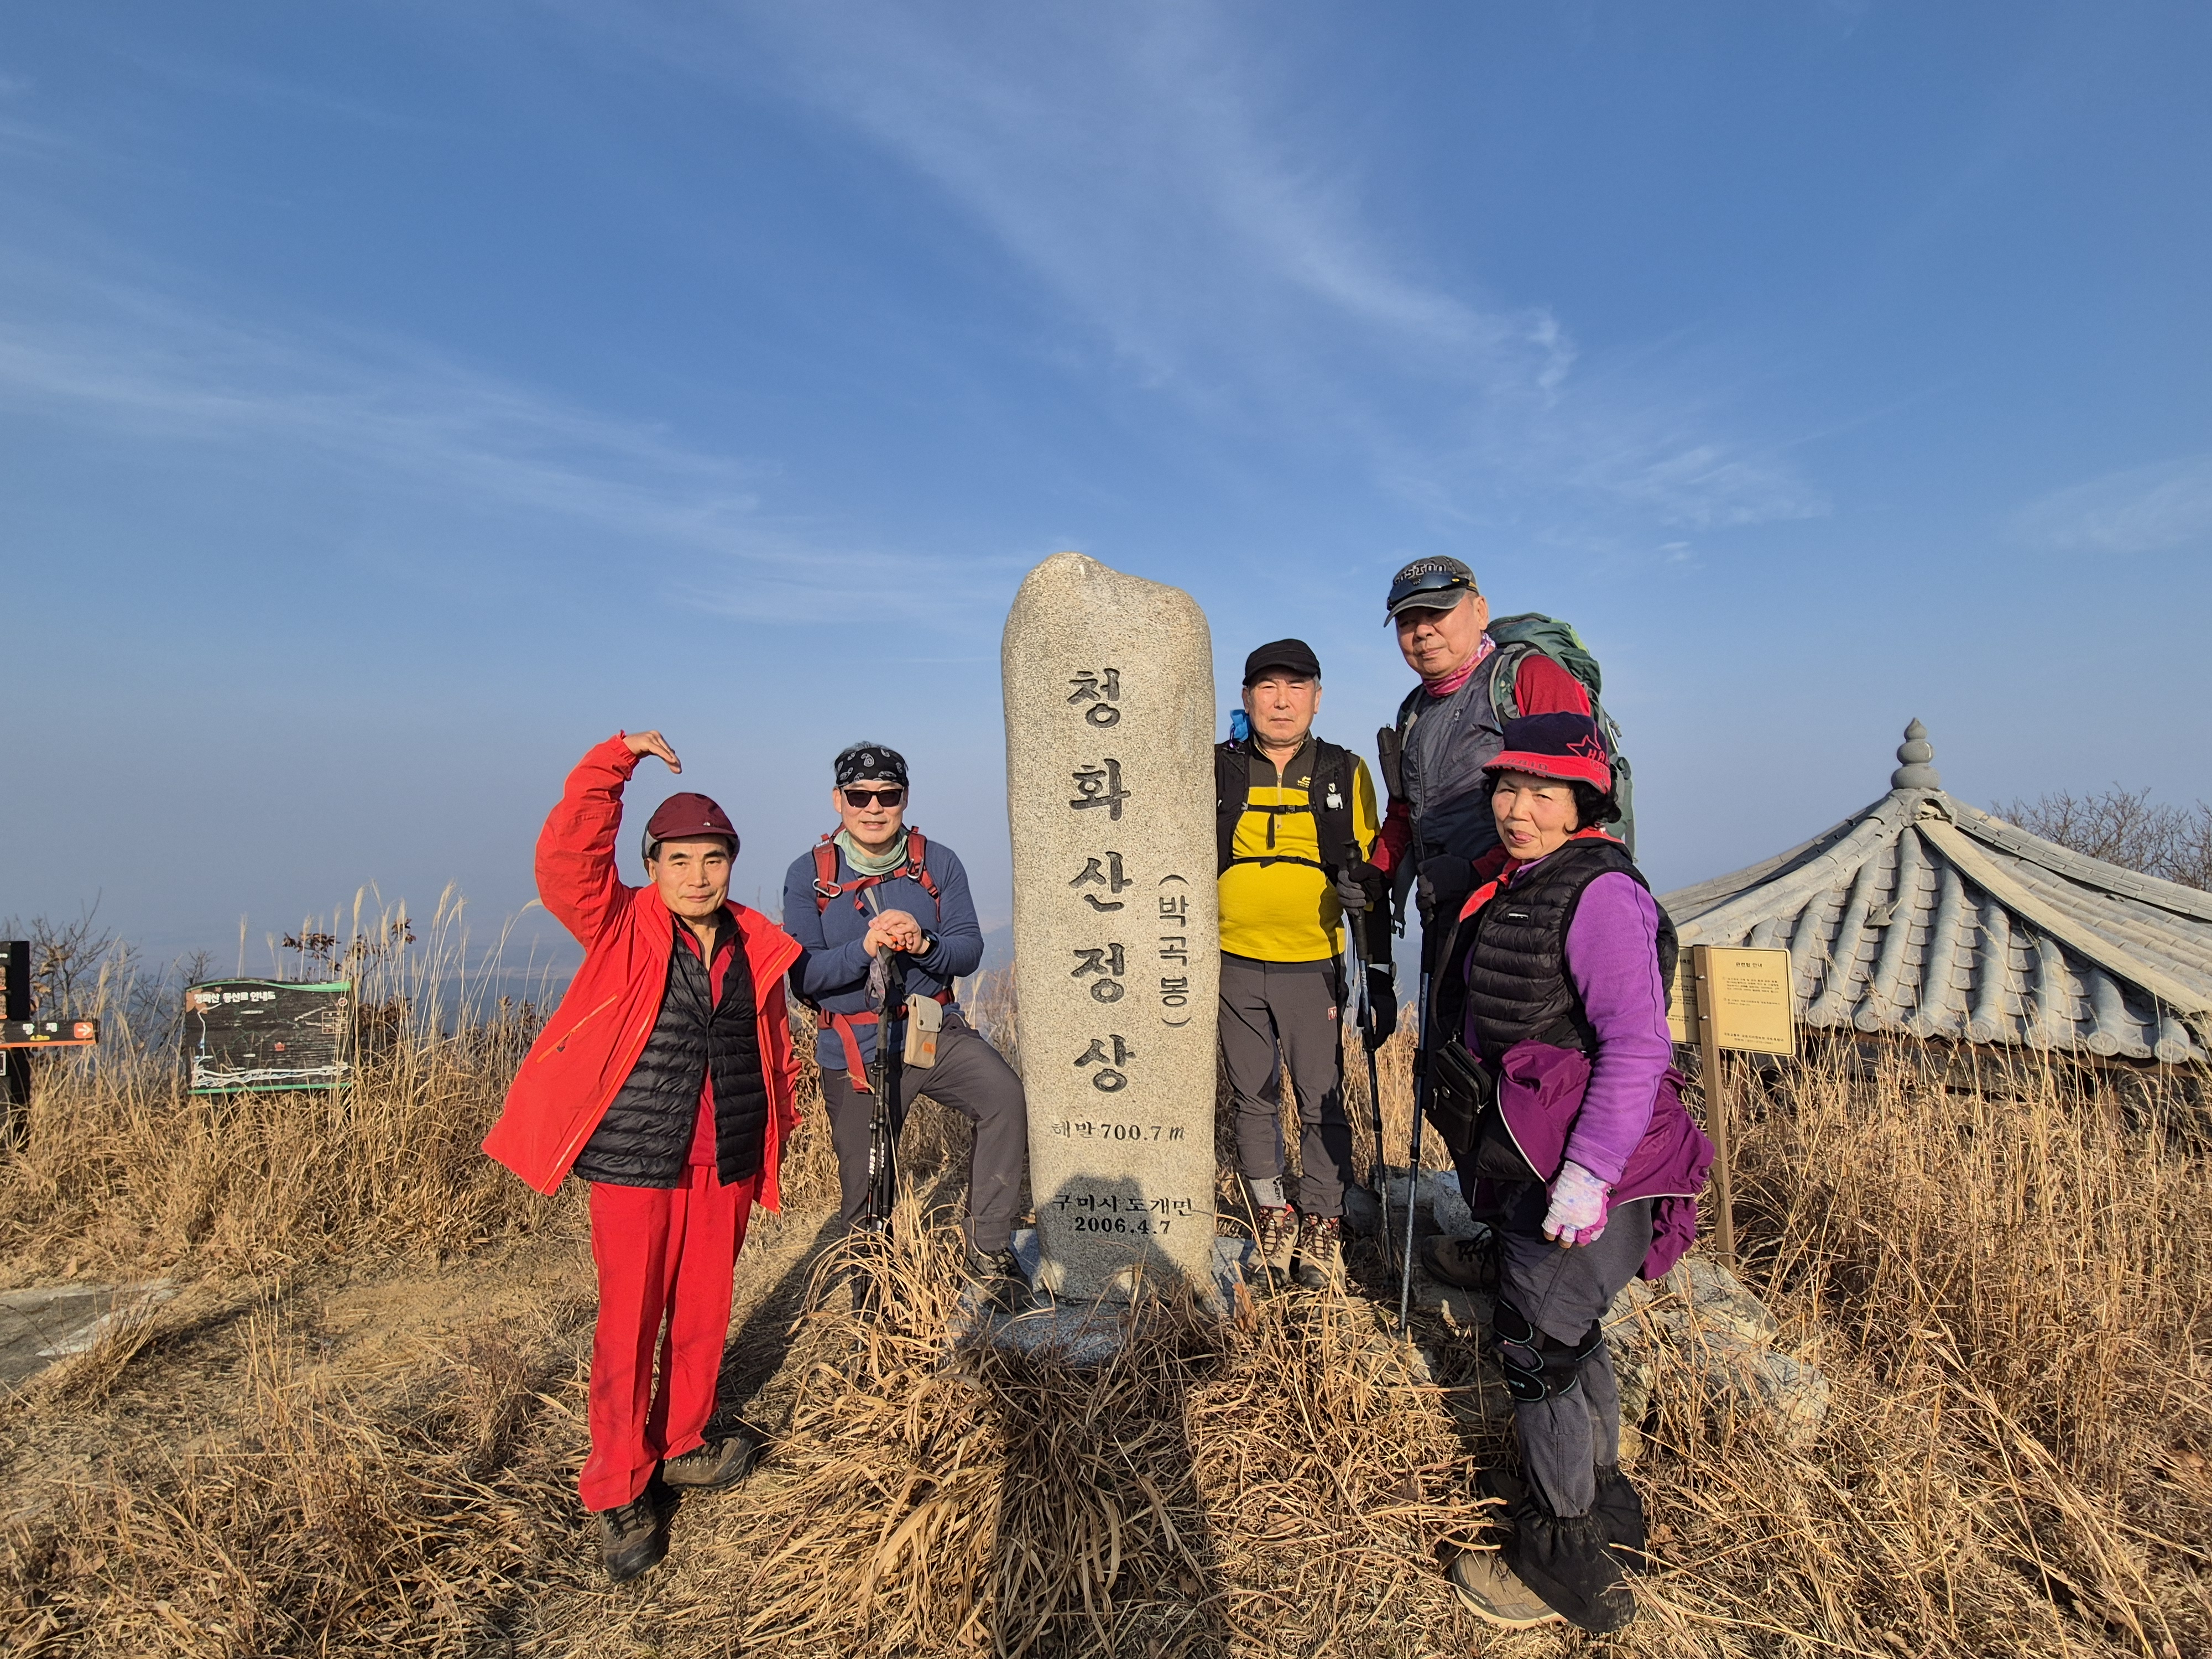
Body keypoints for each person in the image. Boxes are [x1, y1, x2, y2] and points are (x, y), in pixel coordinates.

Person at [482, 730, 805, 1584]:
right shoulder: (620, 922)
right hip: (637, 1158)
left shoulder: (756, 944)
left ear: (732, 865)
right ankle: (618, 1484)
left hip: (725, 1157)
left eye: (713, 859)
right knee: (629, 1323)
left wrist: (782, 1128)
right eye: (678, 860)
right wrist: (614, 760)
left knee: (703, 1311)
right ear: (651, 865)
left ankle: (684, 1440)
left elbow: (773, 1049)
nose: (697, 876)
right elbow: (566, 857)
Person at [1421, 713, 1712, 1632]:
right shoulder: (1529, 880)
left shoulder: (1598, 895)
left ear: (1584, 803)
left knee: (1536, 1348)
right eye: (1507, 788)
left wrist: (1588, 1173)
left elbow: (1636, 1044)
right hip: (1540, 1152)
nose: (1519, 809)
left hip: (1589, 1168)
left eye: (1543, 793)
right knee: (1571, 1334)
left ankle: (1560, 1562)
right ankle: (1607, 1510)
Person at [1364, 555, 1600, 1293]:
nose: (1423, 633)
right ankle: (1500, 1240)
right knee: (1456, 1079)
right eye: (1408, 622)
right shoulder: (1415, 711)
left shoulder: (1526, 679)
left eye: (1437, 614)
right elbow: (1407, 812)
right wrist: (1377, 872)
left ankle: (1548, 1258)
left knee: (1528, 1081)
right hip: (1452, 922)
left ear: (1478, 610)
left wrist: (1487, 869)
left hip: (1532, 918)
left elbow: (1583, 790)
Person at [781, 742, 1030, 1311]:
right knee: (867, 1178)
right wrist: (864, 949)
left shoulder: (936, 862)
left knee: (1003, 1098)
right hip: (854, 1044)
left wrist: (923, 942)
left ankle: (989, 1249)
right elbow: (805, 975)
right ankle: (874, 1294)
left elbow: (968, 949)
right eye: (859, 796)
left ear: (905, 798)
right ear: (838, 800)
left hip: (929, 1029)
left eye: (887, 795)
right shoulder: (811, 874)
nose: (873, 807)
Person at [1213, 639, 1394, 1290]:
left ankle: (1322, 1218)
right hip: (1231, 959)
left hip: (1312, 960)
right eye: (1267, 687)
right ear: (1246, 698)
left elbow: (1372, 875)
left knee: (1320, 1098)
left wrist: (1378, 974)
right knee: (1252, 1096)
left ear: (1317, 697)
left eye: (1296, 687)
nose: (1281, 701)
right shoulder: (1219, 768)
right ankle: (1272, 1212)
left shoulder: (1344, 770)